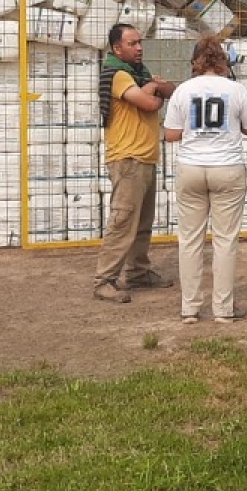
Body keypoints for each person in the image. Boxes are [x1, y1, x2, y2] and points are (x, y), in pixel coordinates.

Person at [163, 36, 247, 323]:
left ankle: (190, 308)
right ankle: (223, 309)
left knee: (190, 240)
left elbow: (170, 134)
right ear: (223, 60)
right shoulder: (236, 89)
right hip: (227, 168)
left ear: (194, 61)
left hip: (191, 167)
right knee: (225, 241)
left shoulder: (184, 90)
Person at [93, 22, 175, 303]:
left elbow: (170, 89)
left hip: (145, 158)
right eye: (132, 43)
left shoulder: (139, 74)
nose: (139, 48)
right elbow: (151, 103)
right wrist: (154, 88)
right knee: (123, 221)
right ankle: (105, 280)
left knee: (142, 222)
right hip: (128, 159)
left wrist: (154, 86)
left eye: (139, 42)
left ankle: (138, 273)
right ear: (117, 48)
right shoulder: (118, 76)